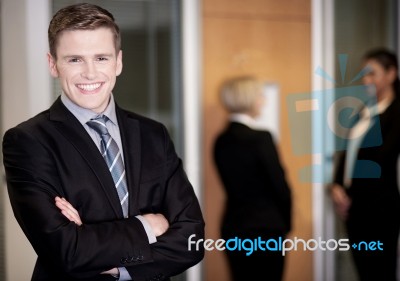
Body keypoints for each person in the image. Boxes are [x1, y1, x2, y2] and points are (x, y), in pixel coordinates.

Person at [2, 3, 204, 281]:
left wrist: (114, 263)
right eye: (75, 59)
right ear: (53, 64)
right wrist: (148, 224)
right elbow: (67, 251)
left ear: (118, 62)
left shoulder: (153, 134)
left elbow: (191, 239)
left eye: (101, 58)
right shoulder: (28, 142)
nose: (90, 73)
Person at [330, 48, 400, 281]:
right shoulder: (364, 111)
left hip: (379, 208)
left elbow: (381, 159)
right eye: (363, 74)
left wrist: (352, 195)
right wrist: (336, 186)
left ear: (391, 74)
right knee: (364, 270)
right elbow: (349, 154)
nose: (365, 80)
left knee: (380, 271)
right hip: (356, 208)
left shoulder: (396, 113)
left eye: (372, 74)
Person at [213, 76, 292, 281]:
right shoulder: (261, 138)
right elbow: (280, 186)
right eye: (260, 95)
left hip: (234, 226)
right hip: (265, 228)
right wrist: (286, 223)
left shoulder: (220, 141)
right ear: (249, 99)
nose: (264, 100)